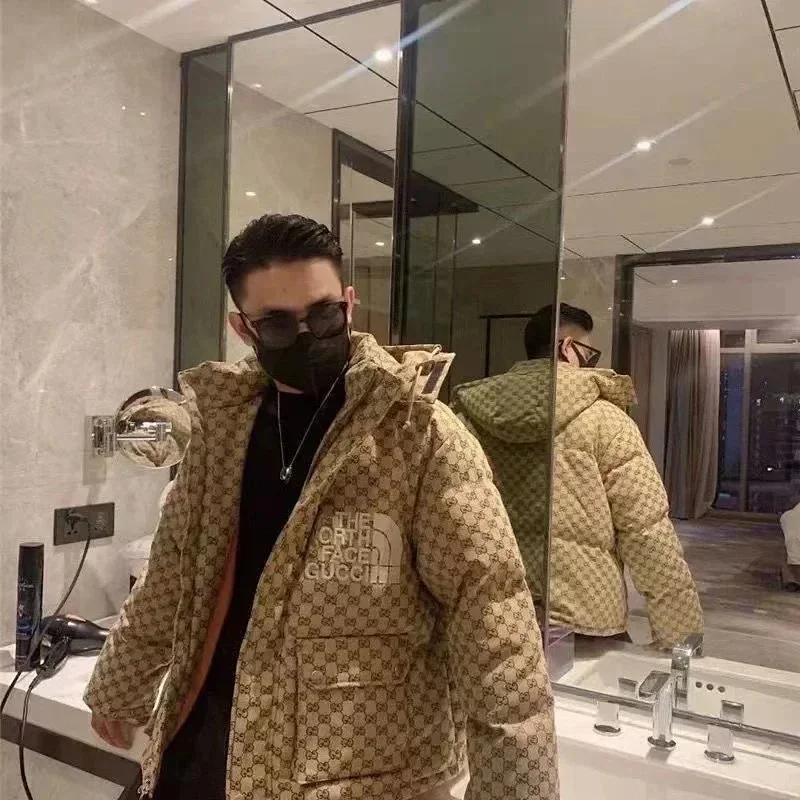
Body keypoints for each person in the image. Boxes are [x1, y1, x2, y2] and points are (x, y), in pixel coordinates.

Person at [84, 214, 558, 800]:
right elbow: (172, 573)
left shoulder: (418, 434)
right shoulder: (222, 431)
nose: (309, 333)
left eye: (324, 313)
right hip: (206, 744)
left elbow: (493, 616)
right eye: (279, 324)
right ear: (243, 329)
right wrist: (121, 683)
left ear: (350, 304)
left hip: (361, 772)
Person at [451, 302, 703, 648]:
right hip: (585, 617)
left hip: (494, 611)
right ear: (568, 348)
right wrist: (681, 637)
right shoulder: (606, 421)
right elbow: (647, 532)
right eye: (590, 353)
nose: (591, 362)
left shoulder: (466, 417)